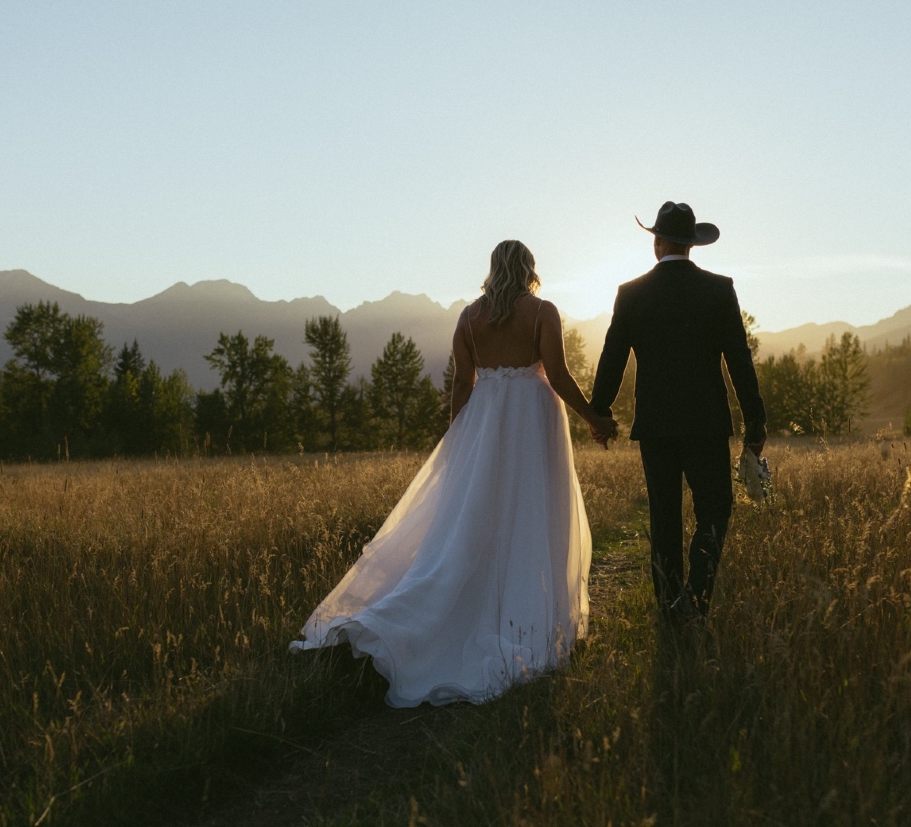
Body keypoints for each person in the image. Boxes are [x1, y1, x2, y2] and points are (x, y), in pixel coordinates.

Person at [290, 240, 618, 707]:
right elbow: (559, 374)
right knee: (533, 512)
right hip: (533, 418)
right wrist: (592, 417)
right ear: (529, 269)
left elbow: (463, 382)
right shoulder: (543, 310)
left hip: (484, 420)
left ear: (492, 269)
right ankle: (530, 615)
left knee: (476, 515)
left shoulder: (468, 318)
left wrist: (456, 441)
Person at [591, 201, 766, 619]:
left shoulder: (630, 294)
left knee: (663, 516)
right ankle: (695, 595)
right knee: (716, 507)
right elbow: (739, 360)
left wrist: (599, 411)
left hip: (654, 424)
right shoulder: (719, 290)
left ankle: (669, 605)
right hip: (707, 422)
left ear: (657, 242)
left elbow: (612, 357)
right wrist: (755, 422)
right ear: (691, 245)